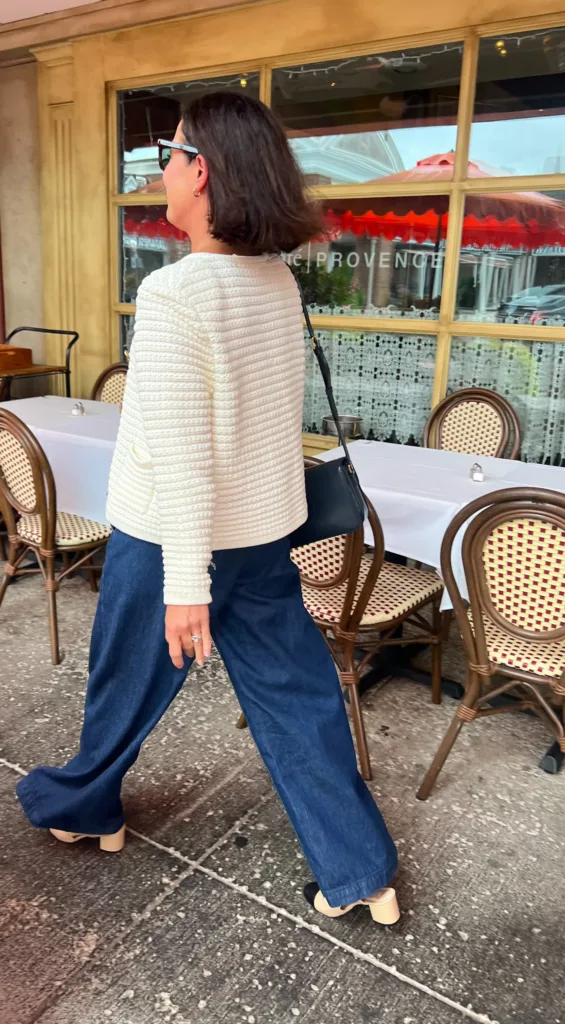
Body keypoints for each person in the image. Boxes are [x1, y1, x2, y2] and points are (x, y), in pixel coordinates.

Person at [16, 91, 399, 925]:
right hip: (261, 535)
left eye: (172, 149)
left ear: (203, 172)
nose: (163, 164)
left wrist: (184, 583)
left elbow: (186, 454)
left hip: (168, 544)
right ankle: (361, 872)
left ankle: (86, 808)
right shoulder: (275, 281)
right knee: (297, 699)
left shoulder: (176, 293)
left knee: (123, 688)